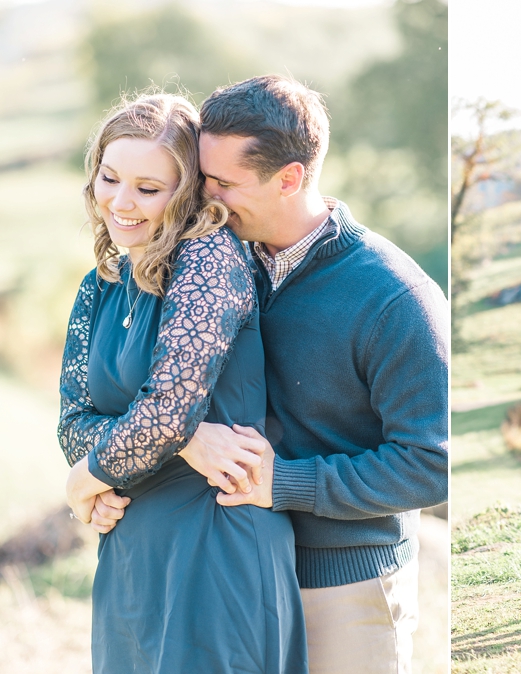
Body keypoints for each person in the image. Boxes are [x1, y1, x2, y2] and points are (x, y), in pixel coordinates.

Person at [97, 75, 449, 673]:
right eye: (199, 175)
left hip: (343, 587)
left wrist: (283, 483)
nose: (202, 196)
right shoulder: (216, 264)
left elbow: (433, 463)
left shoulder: (395, 296)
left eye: (223, 183)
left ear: (289, 179)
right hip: (235, 575)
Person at [59, 93, 307, 673]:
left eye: (149, 188)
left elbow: (169, 408)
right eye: (110, 177)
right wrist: (186, 439)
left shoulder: (207, 258)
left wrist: (82, 483)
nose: (122, 202)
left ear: (188, 190)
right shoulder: (104, 280)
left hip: (215, 544)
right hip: (131, 551)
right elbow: (73, 422)